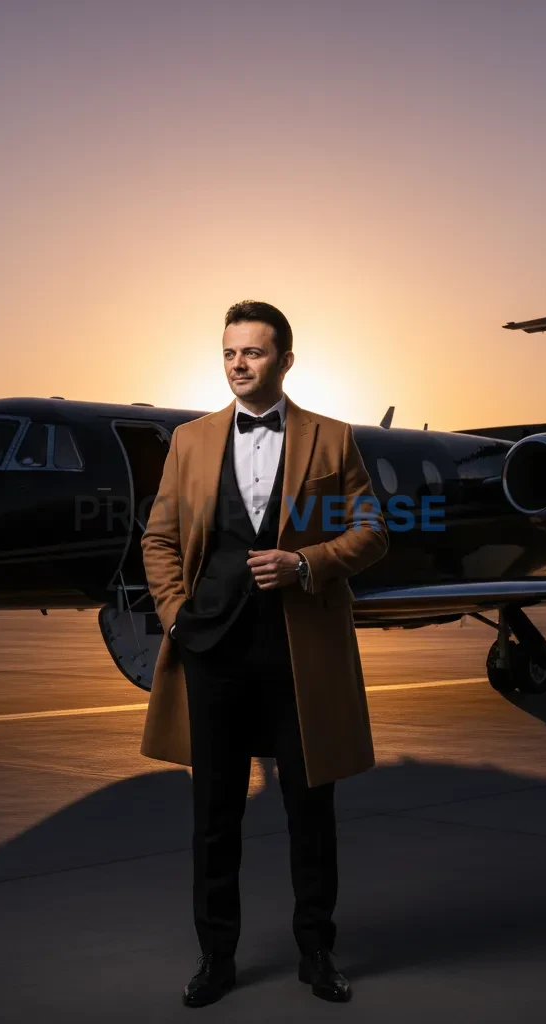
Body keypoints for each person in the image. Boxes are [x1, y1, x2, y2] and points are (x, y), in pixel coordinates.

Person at [140, 300, 388, 1008]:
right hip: (212, 651)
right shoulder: (189, 441)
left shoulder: (333, 439)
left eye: (252, 352)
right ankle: (216, 959)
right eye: (229, 353)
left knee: (310, 810)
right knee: (214, 815)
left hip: (298, 652)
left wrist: (306, 563)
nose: (238, 365)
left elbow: (372, 531)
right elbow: (159, 539)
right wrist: (176, 616)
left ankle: (317, 953)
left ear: (285, 359)